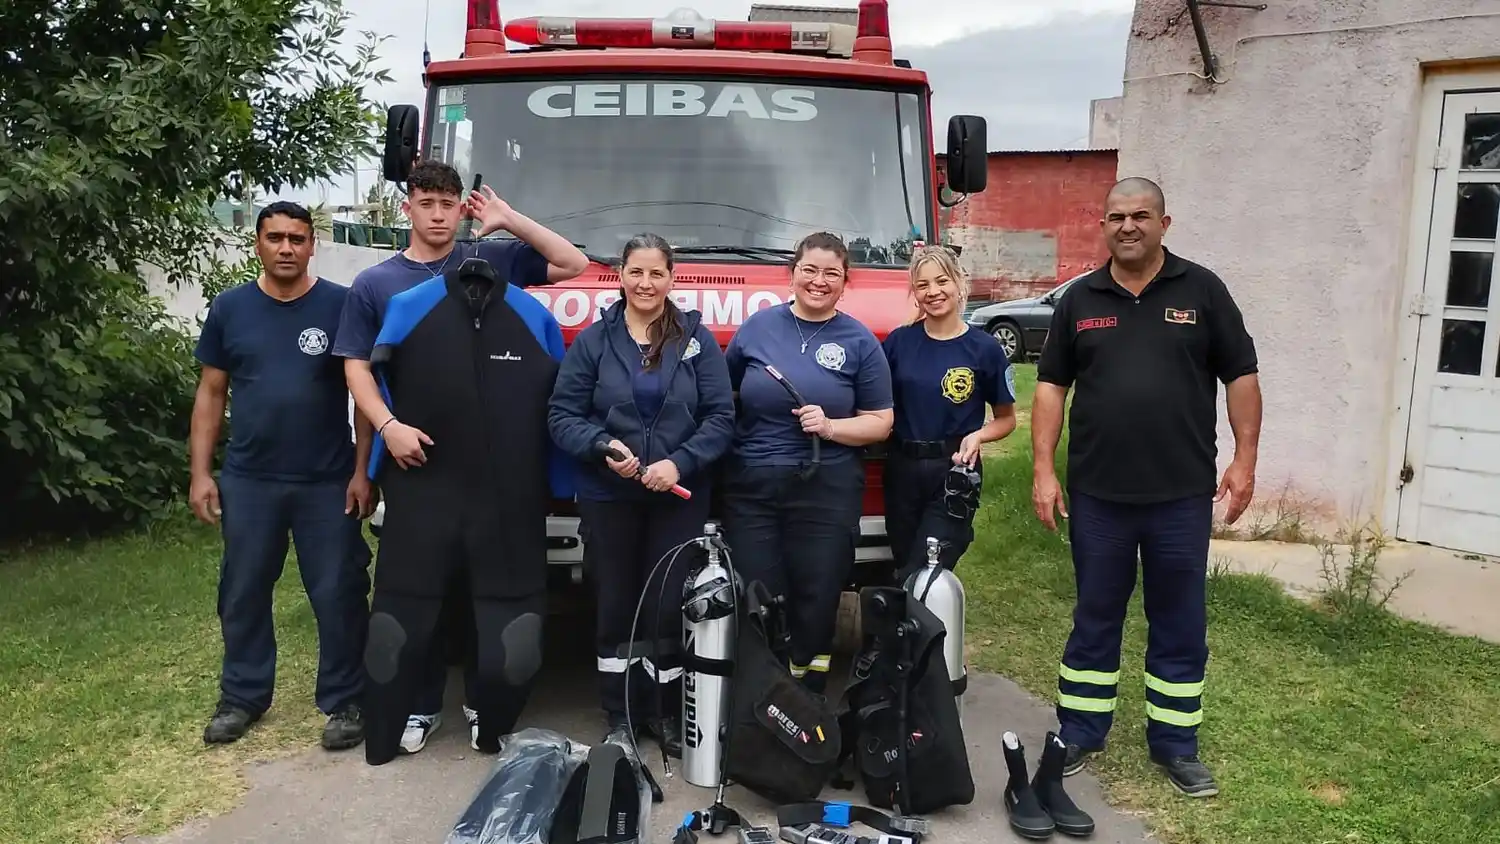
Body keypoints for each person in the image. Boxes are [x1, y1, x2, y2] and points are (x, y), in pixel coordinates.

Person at [333, 159, 589, 754]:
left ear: (460, 209)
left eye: (449, 205)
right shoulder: (381, 286)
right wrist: (386, 434)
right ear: (408, 208)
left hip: (499, 480)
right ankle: (418, 707)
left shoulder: (496, 262)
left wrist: (507, 219)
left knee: (492, 600)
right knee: (415, 596)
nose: (438, 215)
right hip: (420, 468)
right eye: (427, 204)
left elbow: (573, 263)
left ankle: (483, 703)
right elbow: (358, 370)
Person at [1031, 177, 1262, 799]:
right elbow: (1050, 387)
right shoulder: (1080, 299)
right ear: (1103, 225)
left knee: (1180, 620)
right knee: (1095, 615)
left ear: (1164, 223)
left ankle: (1176, 744)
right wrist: (1044, 470)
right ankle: (1080, 730)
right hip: (1099, 496)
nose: (1127, 226)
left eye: (1140, 215)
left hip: (1181, 496)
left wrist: (1244, 459)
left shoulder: (1203, 290)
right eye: (1116, 217)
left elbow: (1241, 375)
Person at [189, 201, 377, 751]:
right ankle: (242, 697)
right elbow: (211, 393)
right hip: (250, 480)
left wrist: (363, 471)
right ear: (258, 244)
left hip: (327, 480)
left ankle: (346, 699)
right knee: (242, 589)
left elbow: (363, 395)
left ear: (313, 245)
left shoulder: (341, 305)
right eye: (275, 238)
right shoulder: (230, 309)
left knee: (339, 590)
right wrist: (201, 473)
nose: (287, 248)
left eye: (297, 238)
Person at [547, 233, 736, 757]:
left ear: (672, 279)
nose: (646, 283)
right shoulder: (594, 341)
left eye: (656, 273)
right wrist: (602, 446)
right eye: (636, 272)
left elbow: (721, 417)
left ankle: (666, 712)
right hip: (609, 495)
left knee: (668, 604)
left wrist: (679, 462)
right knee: (615, 603)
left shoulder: (696, 341)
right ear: (621, 276)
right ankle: (620, 713)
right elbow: (562, 414)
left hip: (677, 495)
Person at [721, 231, 894, 693]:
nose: (819, 281)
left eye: (831, 273)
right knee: (759, 591)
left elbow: (880, 422)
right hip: (753, 487)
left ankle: (806, 695)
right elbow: (726, 395)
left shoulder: (859, 341)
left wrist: (832, 427)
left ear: (845, 281)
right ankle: (762, 695)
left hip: (827, 487)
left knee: (817, 592)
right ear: (792, 273)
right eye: (810, 270)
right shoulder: (757, 328)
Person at [881, 244, 1017, 582]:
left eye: (941, 281)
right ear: (915, 293)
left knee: (927, 571)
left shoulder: (985, 349)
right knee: (904, 562)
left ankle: (909, 613)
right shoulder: (898, 343)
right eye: (923, 285)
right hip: (902, 470)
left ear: (958, 283)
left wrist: (978, 435)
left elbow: (1007, 419)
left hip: (953, 471)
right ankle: (906, 615)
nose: (933, 291)